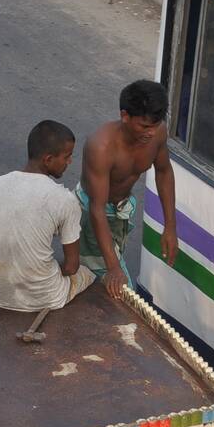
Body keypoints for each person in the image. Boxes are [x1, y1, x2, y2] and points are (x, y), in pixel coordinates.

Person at [0, 120, 95, 311]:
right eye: (67, 157)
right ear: (48, 159)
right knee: (88, 273)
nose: (69, 162)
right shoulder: (64, 199)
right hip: (45, 298)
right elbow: (71, 267)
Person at [78, 80, 178, 298]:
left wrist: (170, 226)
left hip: (120, 211)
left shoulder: (158, 132)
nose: (150, 133)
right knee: (123, 293)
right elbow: (97, 209)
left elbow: (164, 171)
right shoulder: (101, 147)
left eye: (155, 125)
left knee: (100, 280)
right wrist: (114, 268)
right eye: (144, 126)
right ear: (125, 116)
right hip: (93, 213)